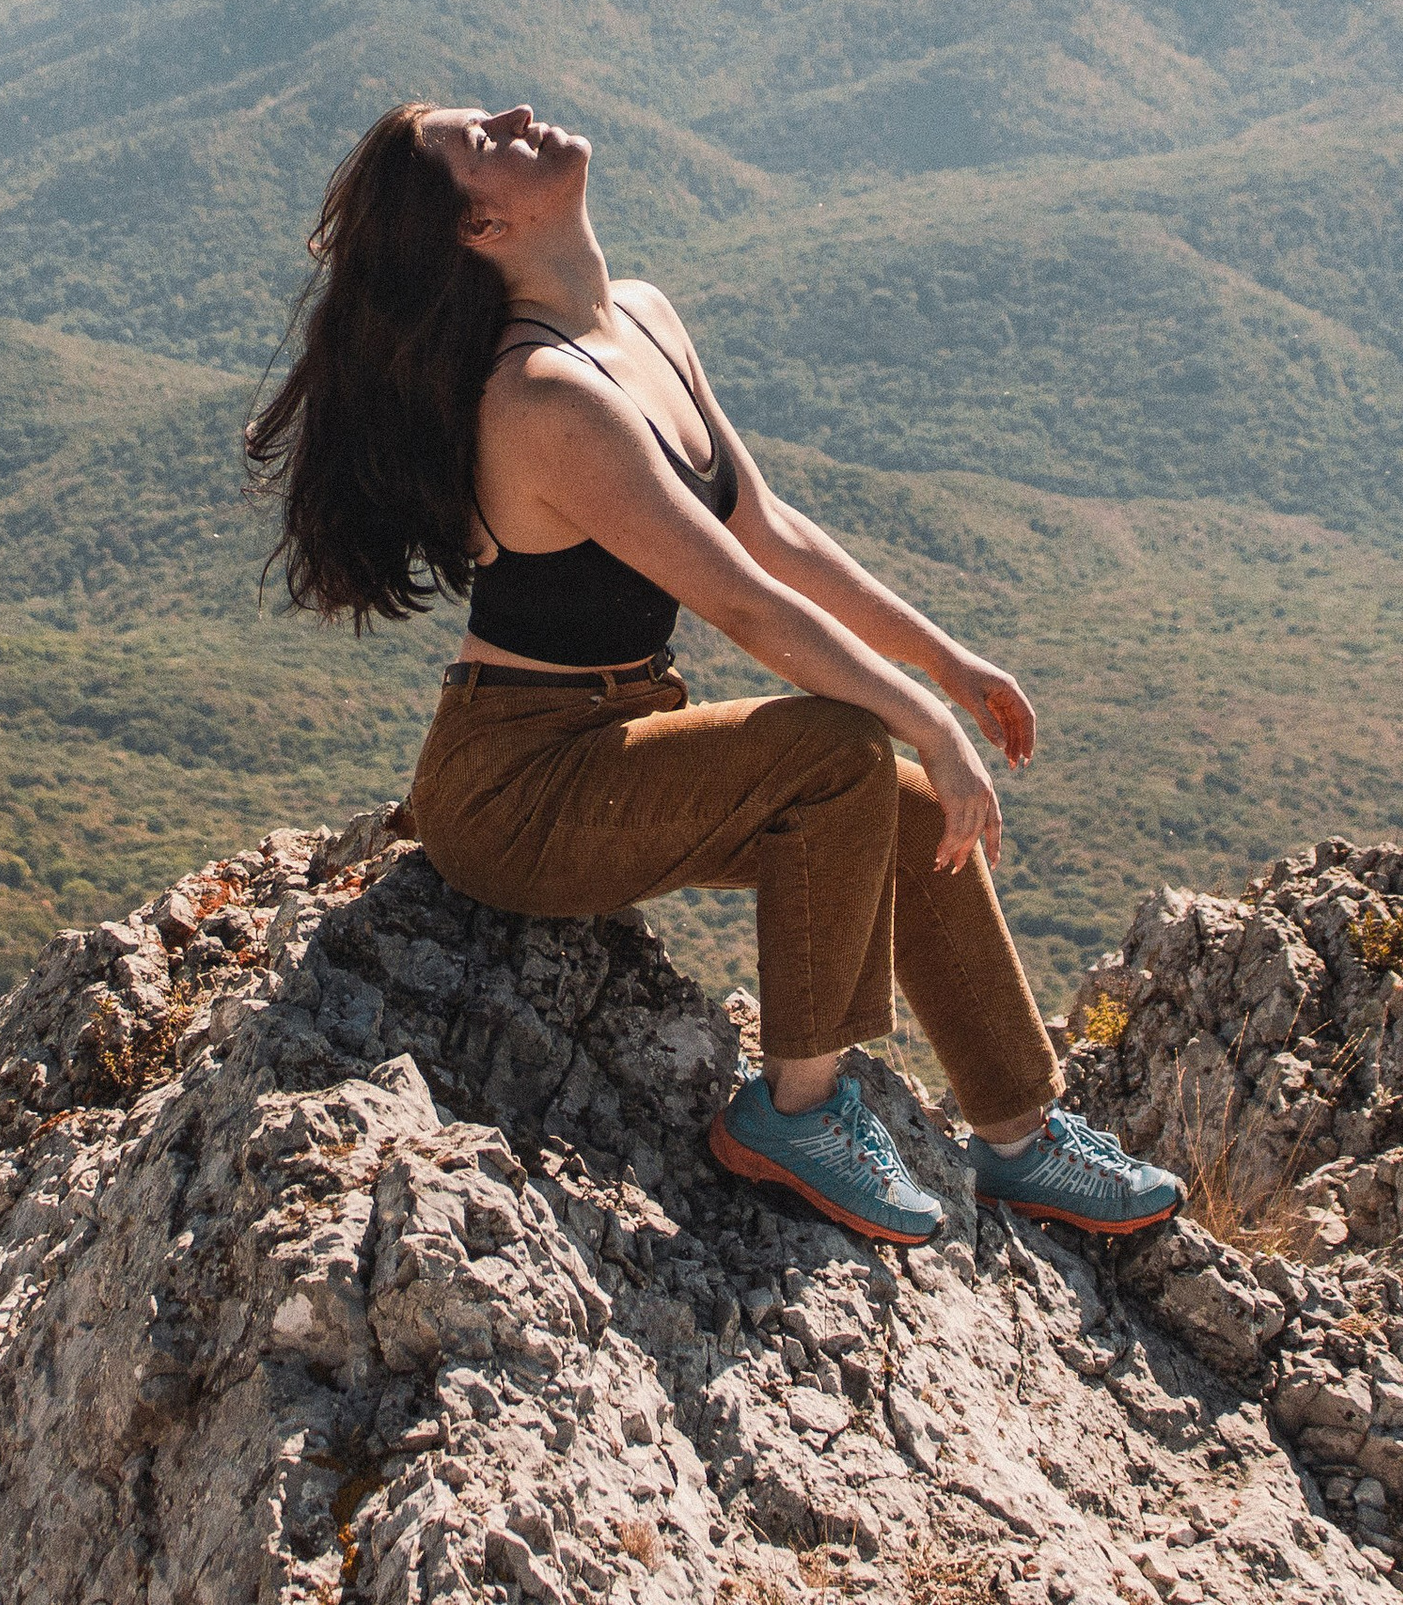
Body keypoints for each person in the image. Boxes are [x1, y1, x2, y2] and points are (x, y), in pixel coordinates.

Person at [246, 101, 1182, 1244]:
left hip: (615, 738)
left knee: (907, 803)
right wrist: (923, 716)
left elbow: (766, 529)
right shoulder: (541, 395)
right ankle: (796, 1108)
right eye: (476, 138)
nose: (514, 115)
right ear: (481, 224)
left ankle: (1022, 1137)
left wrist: (941, 657)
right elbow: (736, 599)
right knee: (844, 752)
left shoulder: (638, 316)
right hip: (517, 790)